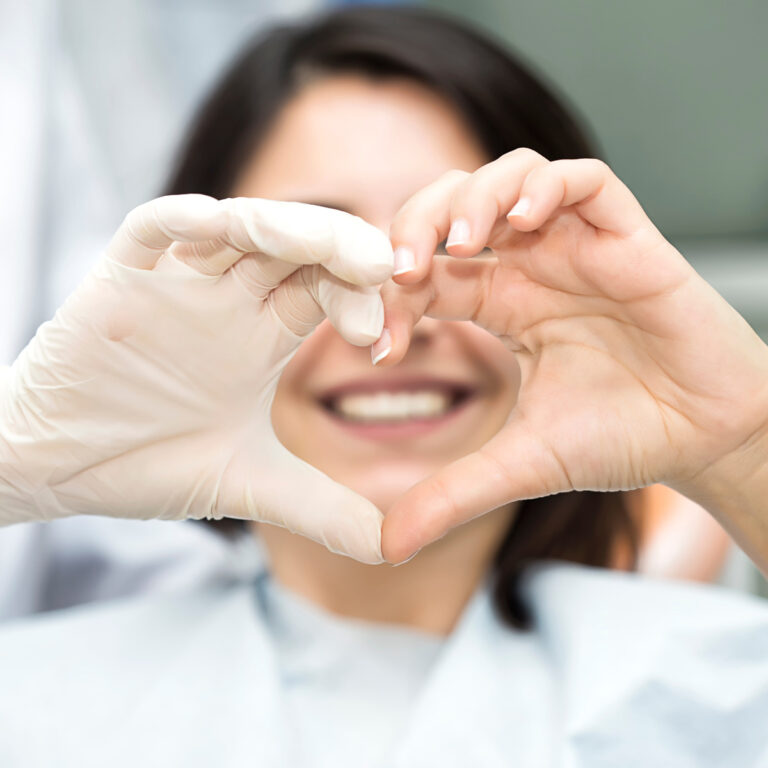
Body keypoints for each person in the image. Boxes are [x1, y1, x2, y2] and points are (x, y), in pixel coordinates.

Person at [1, 6, 767, 766]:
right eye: (309, 258)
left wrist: (748, 449)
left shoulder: (729, 688)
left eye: (460, 247)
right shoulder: (30, 703)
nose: (389, 315)